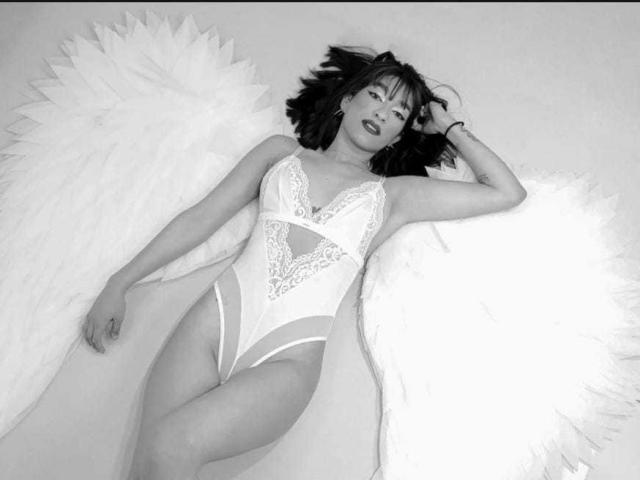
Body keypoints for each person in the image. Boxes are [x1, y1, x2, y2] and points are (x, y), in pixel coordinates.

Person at [82, 46, 526, 480]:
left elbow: (506, 192)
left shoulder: (394, 195)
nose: (382, 113)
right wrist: (119, 283)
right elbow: (200, 218)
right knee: (148, 464)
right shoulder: (280, 153)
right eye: (376, 95)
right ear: (347, 100)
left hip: (287, 359)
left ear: (399, 135)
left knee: (172, 443)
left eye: (398, 113)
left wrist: (448, 127)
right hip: (209, 327)